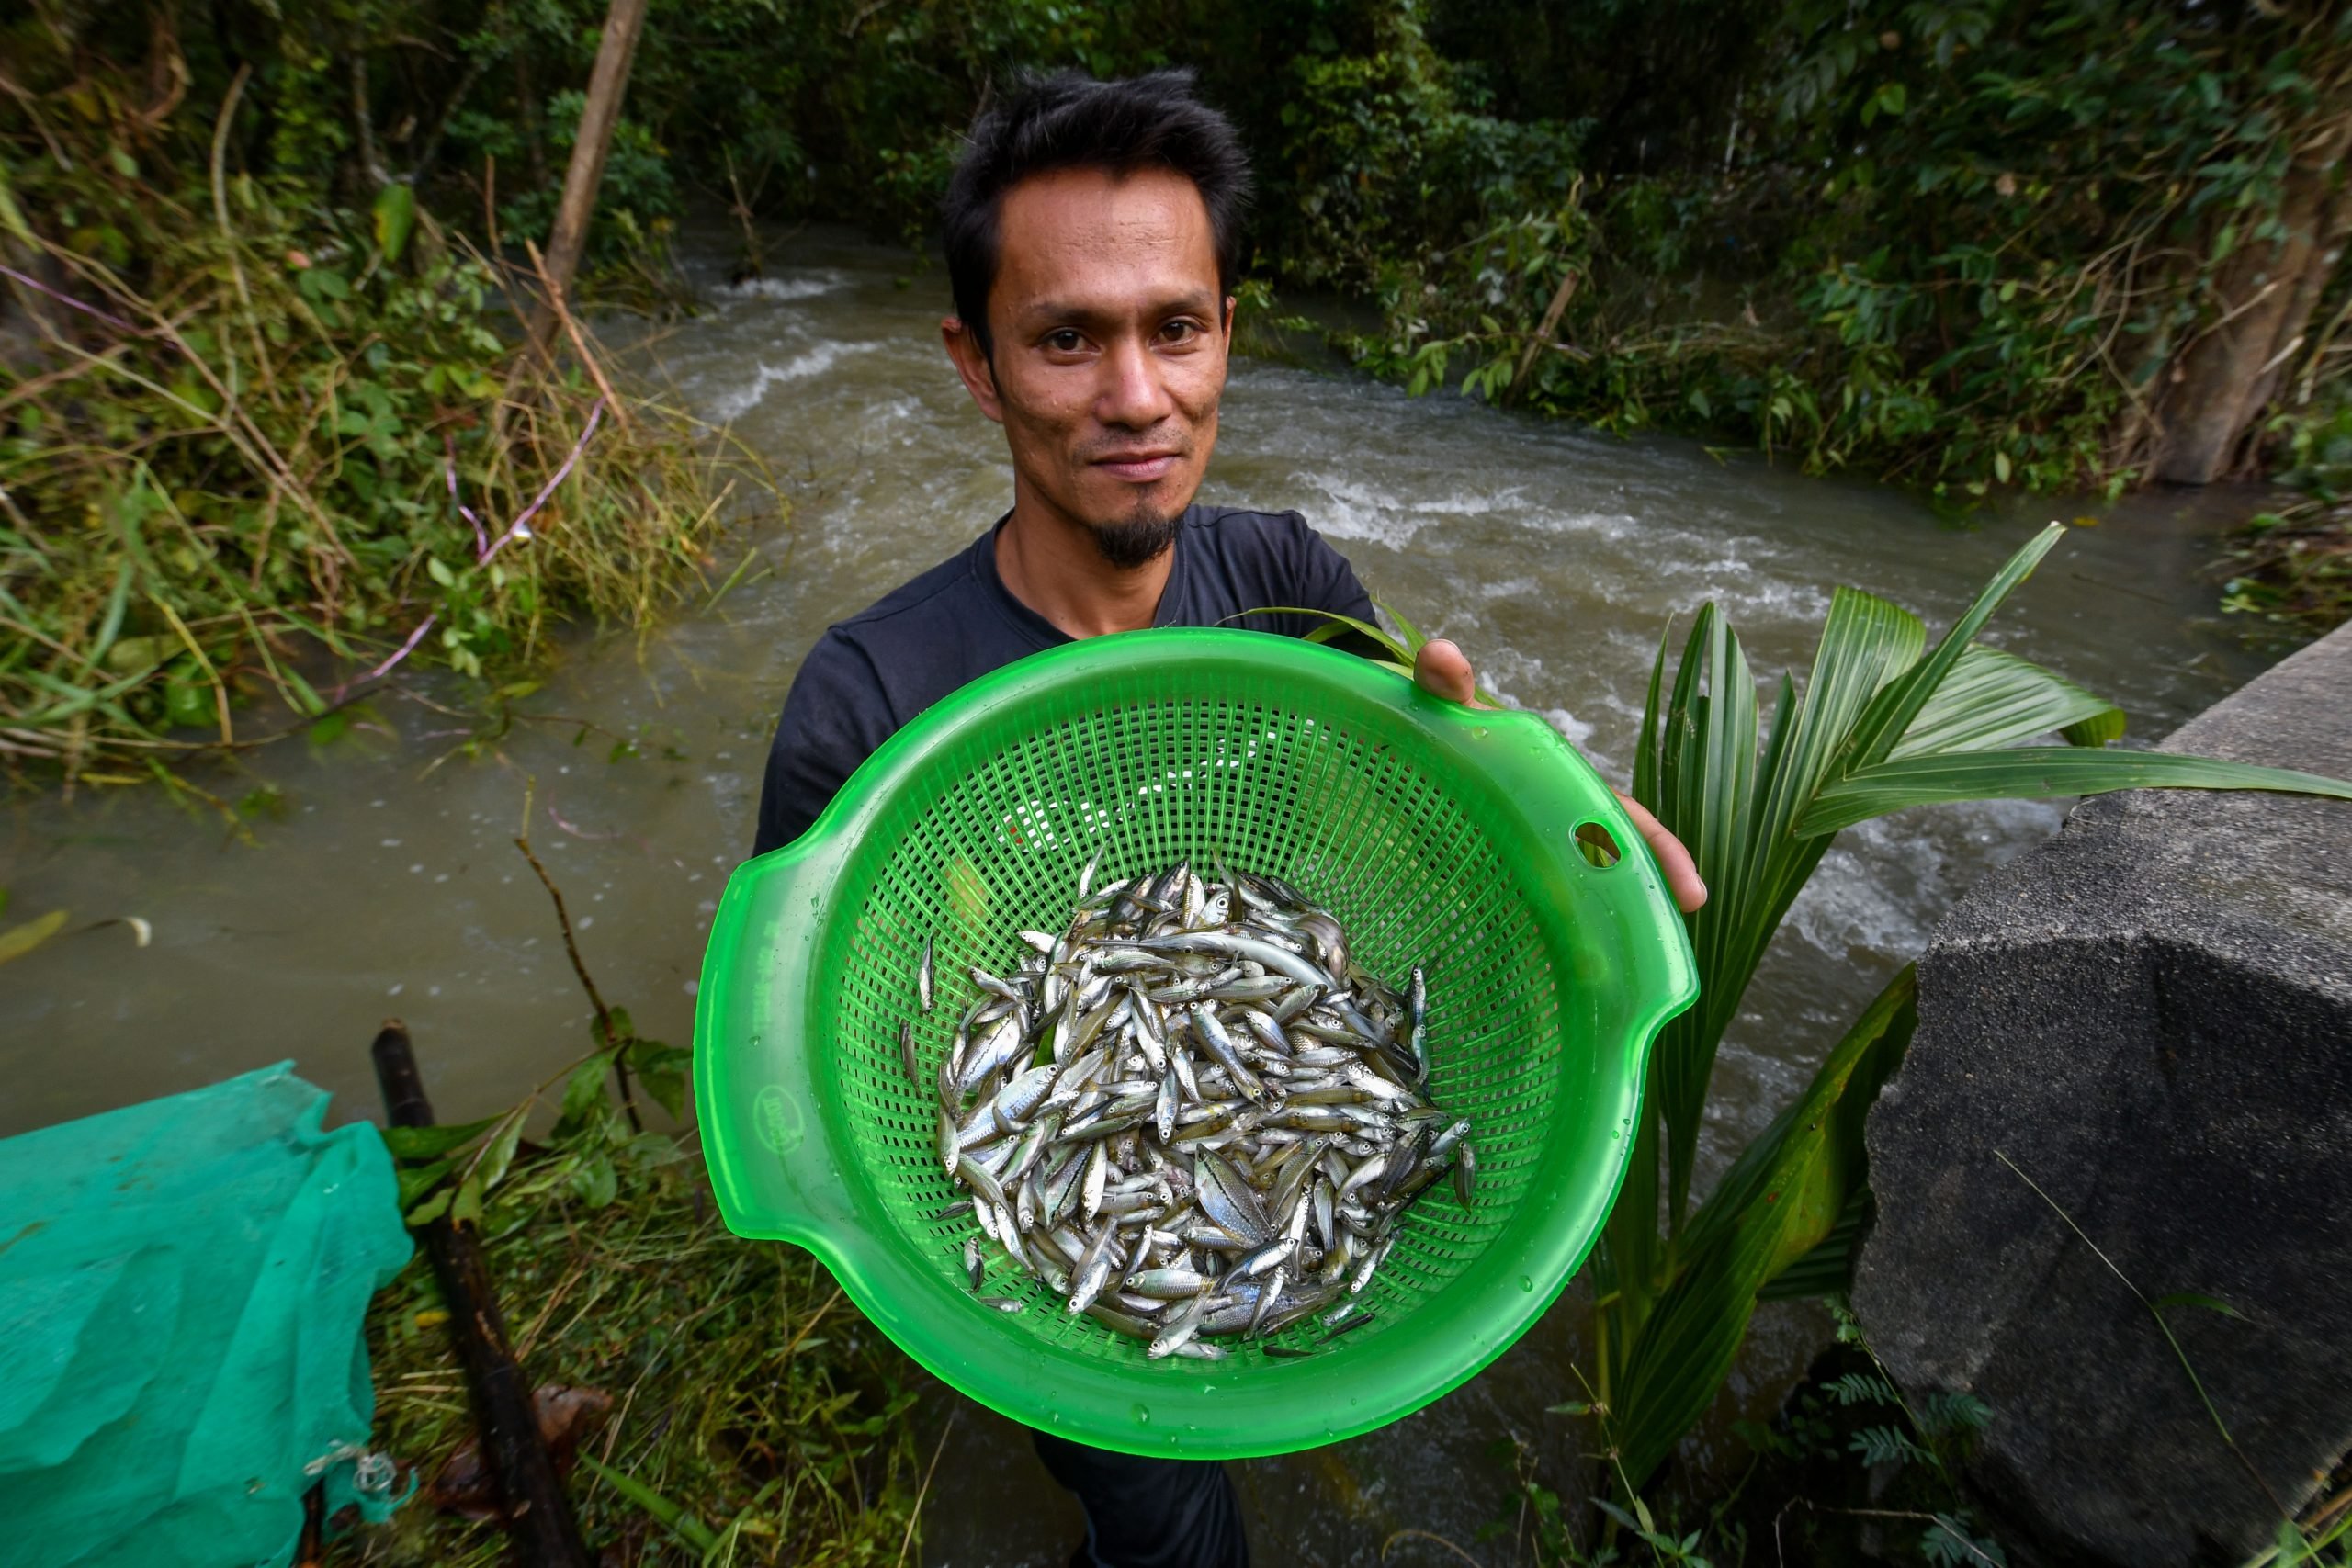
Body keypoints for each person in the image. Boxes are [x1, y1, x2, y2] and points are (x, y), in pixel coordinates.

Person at [752, 68, 1706, 1568]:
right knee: (1162, 1518)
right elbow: (819, 1041)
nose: (1138, 397)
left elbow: (1416, 804)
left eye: (1174, 327)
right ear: (976, 364)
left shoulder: (1292, 585)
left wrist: (1545, 814)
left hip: (1240, 1088)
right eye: (1067, 338)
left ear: (1224, 338)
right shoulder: (867, 701)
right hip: (1035, 1219)